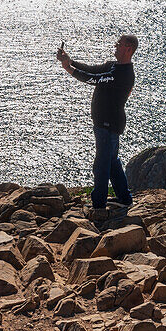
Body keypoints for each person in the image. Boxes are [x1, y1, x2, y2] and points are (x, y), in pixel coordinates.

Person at [57, 35, 138, 212]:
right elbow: (92, 70)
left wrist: (68, 68)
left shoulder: (123, 74)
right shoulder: (112, 66)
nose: (116, 45)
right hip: (104, 122)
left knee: (102, 164)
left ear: (129, 48)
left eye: (120, 44)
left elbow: (93, 79)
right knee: (112, 162)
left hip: (109, 124)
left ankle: (98, 204)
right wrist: (71, 61)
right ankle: (124, 199)